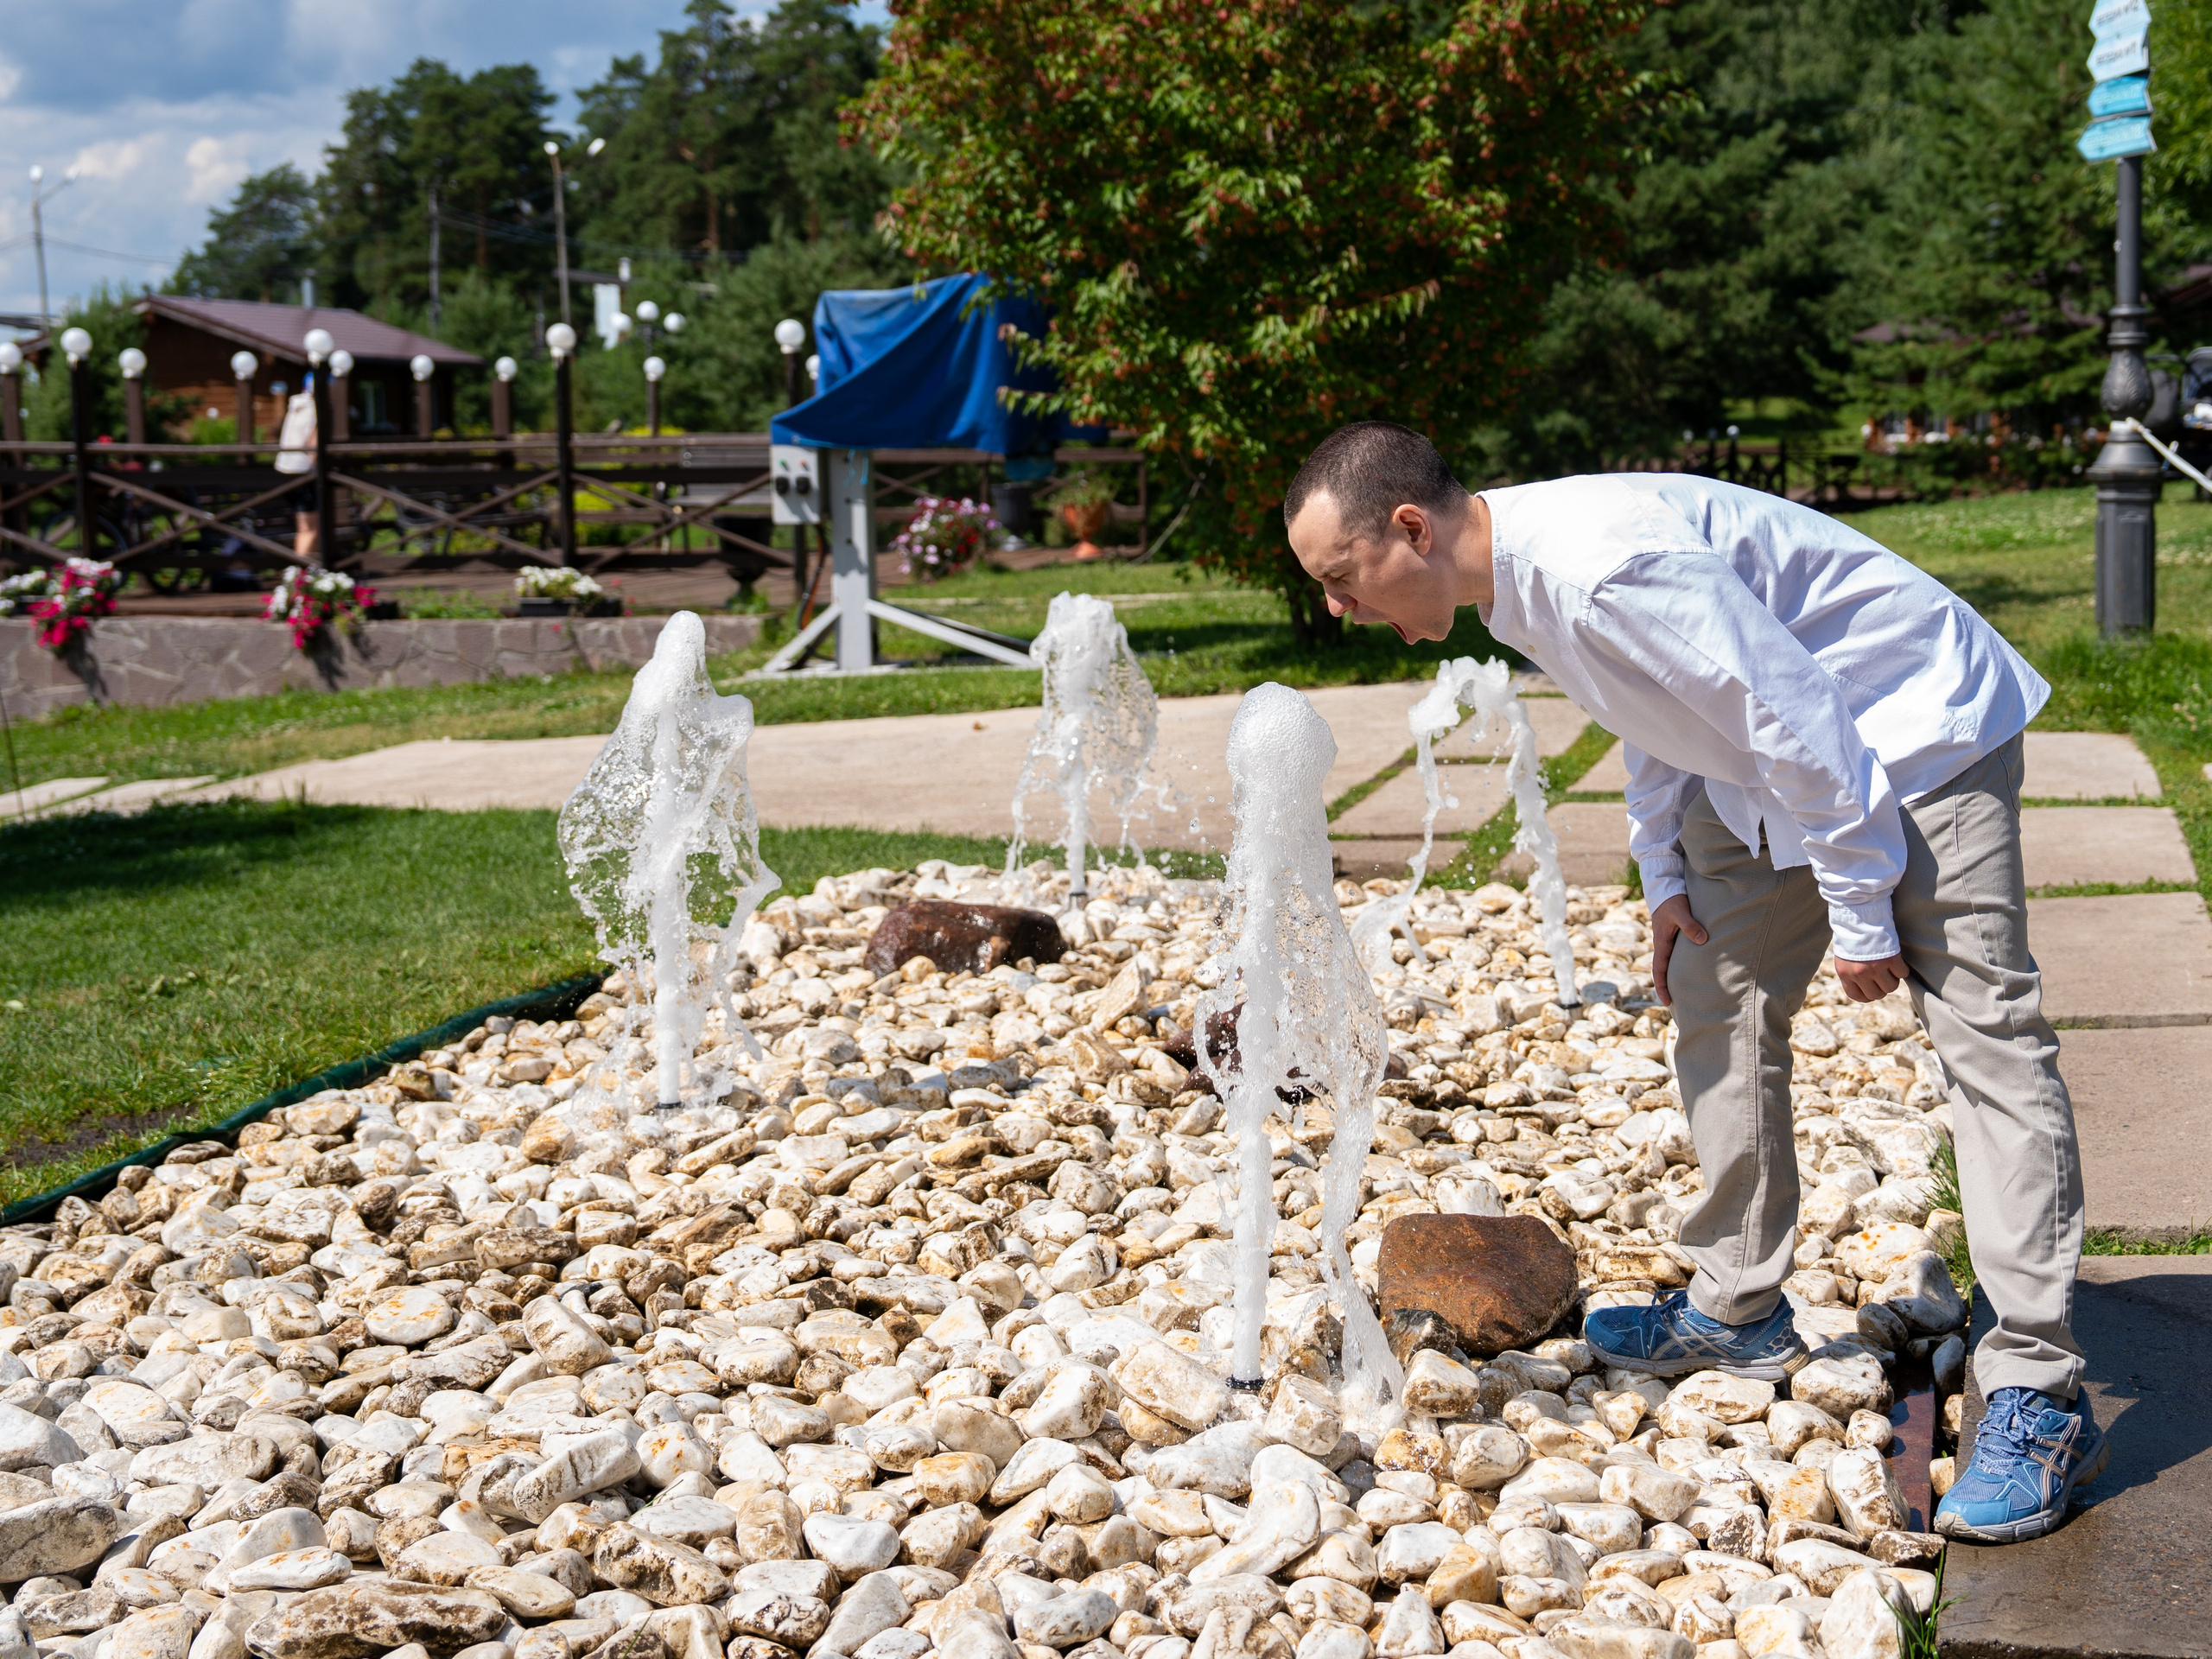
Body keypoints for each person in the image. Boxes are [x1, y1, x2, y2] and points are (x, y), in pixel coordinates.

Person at [1283, 422, 2102, 1546]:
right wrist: (1666, 877)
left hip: (1912, 732)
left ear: (1409, 529)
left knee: (1988, 1044)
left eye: (1340, 579)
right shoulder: (1515, 578)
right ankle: (1736, 1308)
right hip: (1783, 766)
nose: (1336, 609)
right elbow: (1661, 707)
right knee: (1716, 991)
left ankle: (2037, 1389)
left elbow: (1796, 710)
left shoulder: (1595, 561)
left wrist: (1863, 906)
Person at [274, 377, 319, 558]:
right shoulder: (317, 409)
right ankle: (300, 578)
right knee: (311, 529)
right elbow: (314, 446)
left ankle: (303, 575)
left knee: (303, 528)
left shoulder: (295, 406)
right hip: (303, 473)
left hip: (284, 469)